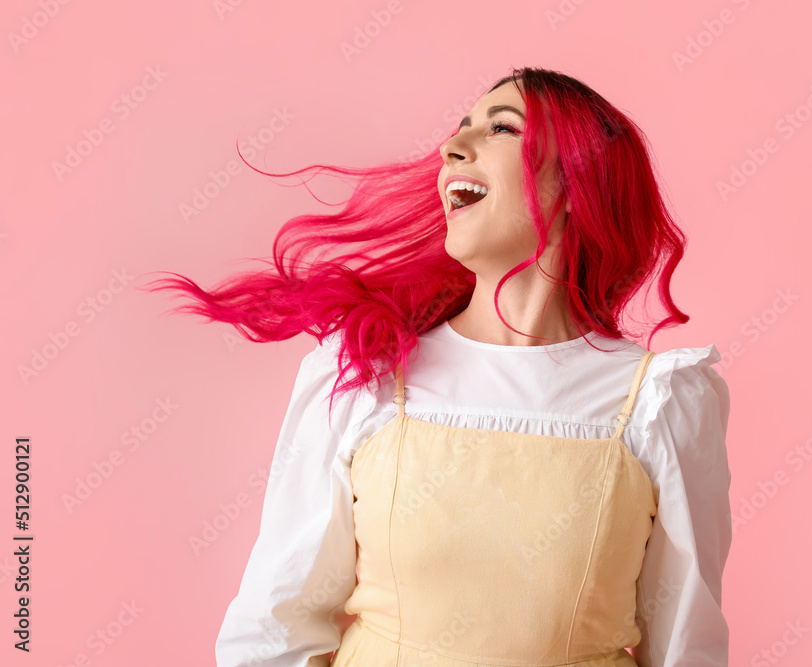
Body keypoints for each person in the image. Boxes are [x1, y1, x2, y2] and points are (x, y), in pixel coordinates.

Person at [143, 66, 733, 666]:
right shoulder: (366, 376)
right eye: (460, 127)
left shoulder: (660, 401)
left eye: (502, 128)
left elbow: (686, 645)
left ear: (578, 182)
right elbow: (276, 627)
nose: (452, 147)